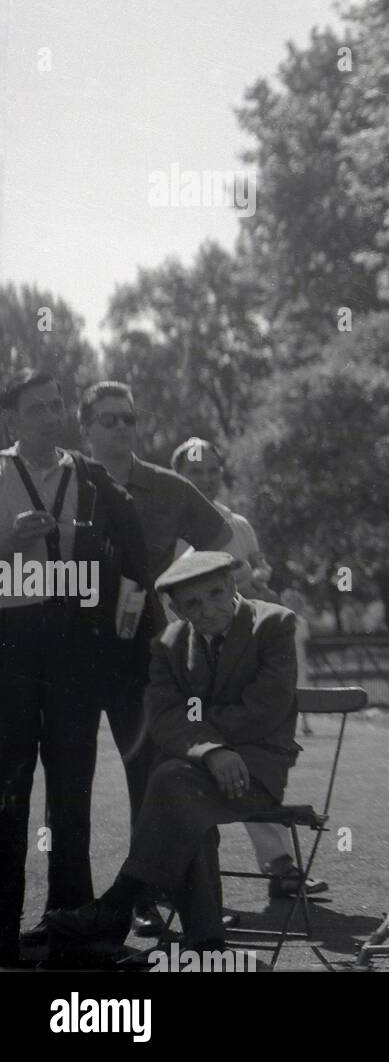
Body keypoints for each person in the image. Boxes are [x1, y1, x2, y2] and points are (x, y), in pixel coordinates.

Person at [44, 551, 301, 952]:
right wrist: (212, 750)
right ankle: (206, 943)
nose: (209, 608)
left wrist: (205, 741)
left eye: (216, 593)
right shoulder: (169, 644)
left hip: (256, 771)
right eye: (193, 603)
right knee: (182, 801)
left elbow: (266, 708)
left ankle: (118, 902)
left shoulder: (274, 624)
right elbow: (164, 717)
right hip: (196, 777)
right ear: (176, 609)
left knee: (170, 782)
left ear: (233, 585)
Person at [0, 370, 151, 966]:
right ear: (12, 419)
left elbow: (134, 552)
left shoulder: (88, 478)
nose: (50, 415)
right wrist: (9, 545)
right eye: (36, 408)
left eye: (56, 406)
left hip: (73, 645)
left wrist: (132, 624)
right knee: (8, 788)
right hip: (8, 642)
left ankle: (69, 923)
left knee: (71, 786)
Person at [75, 382, 232, 936]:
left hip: (144, 653)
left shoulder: (168, 487)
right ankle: (76, 912)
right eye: (107, 419)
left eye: (129, 419)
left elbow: (222, 537)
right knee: (72, 785)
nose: (120, 428)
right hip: (71, 655)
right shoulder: (71, 484)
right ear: (85, 427)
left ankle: (150, 897)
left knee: (153, 775)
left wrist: (197, 600)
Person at [170, 437, 325, 899]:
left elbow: (260, 577)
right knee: (191, 760)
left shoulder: (238, 523)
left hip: (244, 658)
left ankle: (278, 866)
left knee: (254, 752)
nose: (204, 478)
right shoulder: (172, 525)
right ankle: (190, 881)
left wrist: (260, 579)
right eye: (194, 471)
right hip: (192, 659)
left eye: (211, 469)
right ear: (178, 475)